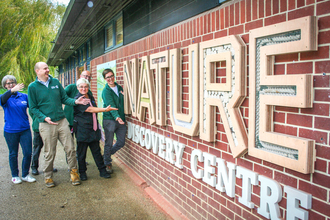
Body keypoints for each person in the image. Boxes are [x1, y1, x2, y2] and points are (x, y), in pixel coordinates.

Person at [28, 62, 89, 188]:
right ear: (37, 71)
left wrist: (75, 101)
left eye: (48, 68)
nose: (47, 70)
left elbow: (64, 98)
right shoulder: (32, 87)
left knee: (71, 149)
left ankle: (74, 173)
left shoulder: (55, 82)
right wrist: (44, 118)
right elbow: (33, 108)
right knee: (50, 152)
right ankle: (48, 177)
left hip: (61, 121)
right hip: (46, 124)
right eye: (45, 68)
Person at [74, 78, 117, 180]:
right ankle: (83, 173)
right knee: (81, 153)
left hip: (93, 129)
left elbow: (93, 108)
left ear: (88, 87)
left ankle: (102, 171)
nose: (84, 89)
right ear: (77, 88)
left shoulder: (90, 96)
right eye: (81, 87)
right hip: (82, 130)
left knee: (97, 151)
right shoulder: (78, 99)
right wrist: (105, 109)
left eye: (86, 86)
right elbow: (90, 109)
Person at [1, 75, 36, 184]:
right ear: (5, 86)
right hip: (11, 131)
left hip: (25, 129)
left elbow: (34, 107)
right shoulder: (4, 98)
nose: (11, 84)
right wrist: (11, 91)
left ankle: (25, 174)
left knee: (28, 152)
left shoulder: (23, 96)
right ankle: (15, 175)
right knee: (13, 153)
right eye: (8, 83)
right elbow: (2, 100)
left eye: (13, 82)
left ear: (16, 83)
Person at [102, 69, 126, 173]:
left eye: (111, 76)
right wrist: (117, 117)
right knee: (109, 142)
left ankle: (105, 155)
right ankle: (107, 163)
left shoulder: (119, 87)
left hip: (120, 119)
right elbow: (110, 106)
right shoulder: (106, 91)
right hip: (110, 120)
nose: (110, 78)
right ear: (105, 79)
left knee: (121, 142)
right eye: (107, 77)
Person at [29, 110, 58, 175]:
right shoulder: (34, 102)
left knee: (49, 148)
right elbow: (31, 112)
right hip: (38, 127)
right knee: (37, 148)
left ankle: (49, 166)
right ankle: (34, 167)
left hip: (48, 127)